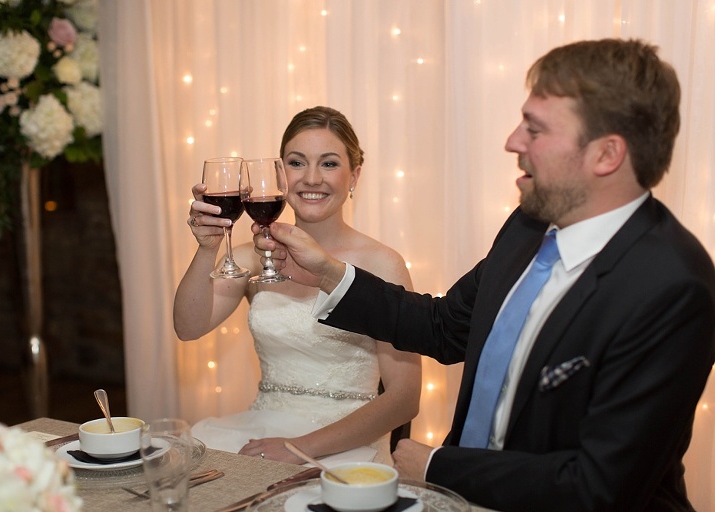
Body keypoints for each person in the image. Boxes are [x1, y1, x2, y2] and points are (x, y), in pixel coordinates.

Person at [253, 39, 715, 511]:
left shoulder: (674, 286)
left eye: (534, 129)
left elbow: (599, 486)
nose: (513, 141)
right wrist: (330, 274)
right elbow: (443, 326)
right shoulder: (528, 225)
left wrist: (438, 468)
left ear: (606, 155)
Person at [174, 106, 421, 466]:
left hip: (350, 444)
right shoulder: (256, 256)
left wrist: (300, 446)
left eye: (329, 163)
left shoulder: (383, 264)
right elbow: (188, 326)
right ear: (279, 174)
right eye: (296, 162)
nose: (312, 178)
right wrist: (208, 247)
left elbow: (405, 397)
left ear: (355, 175)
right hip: (261, 434)